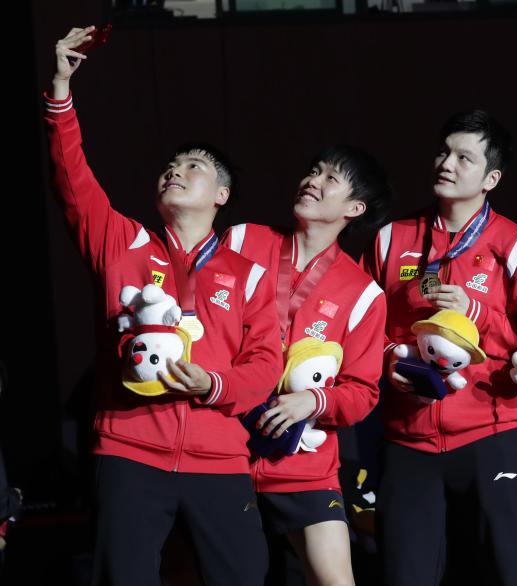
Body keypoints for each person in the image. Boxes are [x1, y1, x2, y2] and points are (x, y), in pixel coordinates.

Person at [46, 26, 281, 585]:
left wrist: (214, 386)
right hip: (129, 451)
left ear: (221, 195)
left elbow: (265, 363)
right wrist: (60, 90)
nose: (176, 169)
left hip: (219, 458)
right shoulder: (122, 243)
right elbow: (73, 180)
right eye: (171, 165)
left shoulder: (246, 274)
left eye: (194, 165)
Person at [361, 110, 517, 586]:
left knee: (507, 572)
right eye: (444, 152)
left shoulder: (515, 242)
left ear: (491, 178)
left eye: (464, 157)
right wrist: (388, 360)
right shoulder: (391, 239)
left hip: (489, 432)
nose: (446, 163)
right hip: (407, 439)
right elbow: (361, 328)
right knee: (405, 574)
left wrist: (476, 313)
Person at [222, 145, 391, 586]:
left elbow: (363, 392)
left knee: (335, 579)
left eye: (330, 178)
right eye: (313, 171)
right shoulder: (242, 242)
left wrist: (312, 401)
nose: (313, 180)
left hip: (304, 466)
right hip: (226, 455)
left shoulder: (363, 293)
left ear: (355, 208)